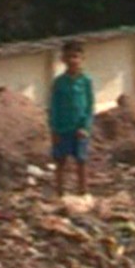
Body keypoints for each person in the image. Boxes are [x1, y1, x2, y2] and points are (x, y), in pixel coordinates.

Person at [49, 39, 95, 197]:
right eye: (68, 57)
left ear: (82, 59)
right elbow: (54, 106)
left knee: (81, 162)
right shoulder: (59, 82)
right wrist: (54, 129)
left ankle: (83, 193)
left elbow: (89, 105)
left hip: (79, 128)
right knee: (60, 162)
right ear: (63, 59)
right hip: (62, 128)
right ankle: (59, 194)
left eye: (75, 56)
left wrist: (85, 127)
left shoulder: (86, 81)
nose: (72, 60)